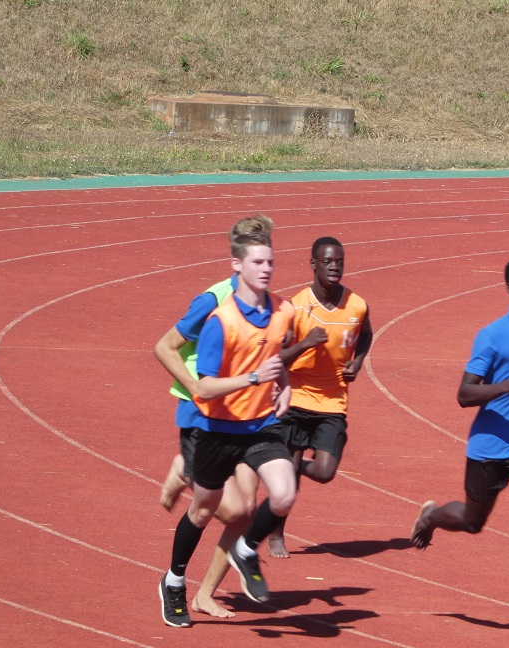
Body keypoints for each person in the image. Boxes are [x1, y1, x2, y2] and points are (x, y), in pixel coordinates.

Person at [410, 255, 509, 639]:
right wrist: (506, 387)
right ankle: (431, 517)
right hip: (490, 446)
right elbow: (464, 394)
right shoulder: (493, 335)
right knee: (472, 521)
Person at [156, 217, 297, 627]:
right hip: (205, 414)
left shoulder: (277, 307)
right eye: (257, 260)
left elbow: (272, 350)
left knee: (246, 511)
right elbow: (165, 347)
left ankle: (207, 590)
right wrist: (195, 389)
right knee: (218, 508)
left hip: (253, 417)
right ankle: (176, 579)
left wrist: (282, 382)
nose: (266, 268)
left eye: (269, 260)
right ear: (238, 260)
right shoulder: (214, 303)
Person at [265, 236, 373, 558]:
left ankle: (293, 466)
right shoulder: (296, 307)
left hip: (333, 399)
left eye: (339, 262)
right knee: (287, 479)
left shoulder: (357, 304)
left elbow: (366, 334)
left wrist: (358, 362)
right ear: (313, 264)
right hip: (297, 396)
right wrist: (304, 344)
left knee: (325, 472)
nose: (334, 267)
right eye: (327, 262)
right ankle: (276, 535)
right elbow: (277, 359)